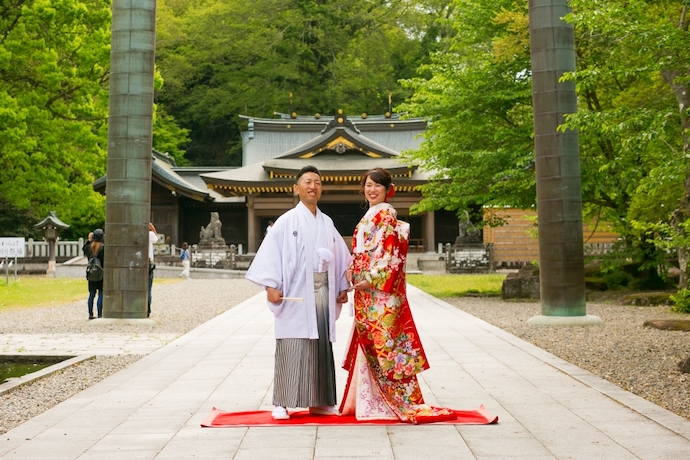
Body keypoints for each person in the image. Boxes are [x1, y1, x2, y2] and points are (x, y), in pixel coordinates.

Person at [340, 167, 454, 423]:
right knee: (373, 344)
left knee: (387, 347)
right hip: (367, 292)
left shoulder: (387, 217)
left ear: (387, 189)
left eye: (377, 186)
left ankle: (393, 402)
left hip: (381, 294)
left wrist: (367, 280)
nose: (371, 190)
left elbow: (391, 257)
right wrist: (351, 270)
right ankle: (371, 402)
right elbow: (362, 254)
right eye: (368, 185)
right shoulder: (371, 216)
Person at [245, 165, 352, 420]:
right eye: (307, 182)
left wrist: (341, 287)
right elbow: (272, 253)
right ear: (297, 188)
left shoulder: (327, 222)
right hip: (294, 292)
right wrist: (271, 286)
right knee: (292, 344)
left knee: (320, 347)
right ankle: (282, 401)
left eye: (317, 182)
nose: (312, 186)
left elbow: (340, 257)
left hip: (322, 291)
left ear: (321, 188)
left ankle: (320, 401)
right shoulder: (286, 221)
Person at [83, 228, 105, 319]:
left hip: (91, 272)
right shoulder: (103, 248)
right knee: (101, 293)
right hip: (101, 273)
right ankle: (100, 314)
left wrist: (88, 240)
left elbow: (83, 248)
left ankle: (90, 313)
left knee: (91, 294)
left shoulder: (89, 248)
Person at [148, 222, 158, 317]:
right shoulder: (150, 234)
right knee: (148, 288)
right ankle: (147, 309)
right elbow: (156, 239)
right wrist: (153, 228)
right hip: (148, 263)